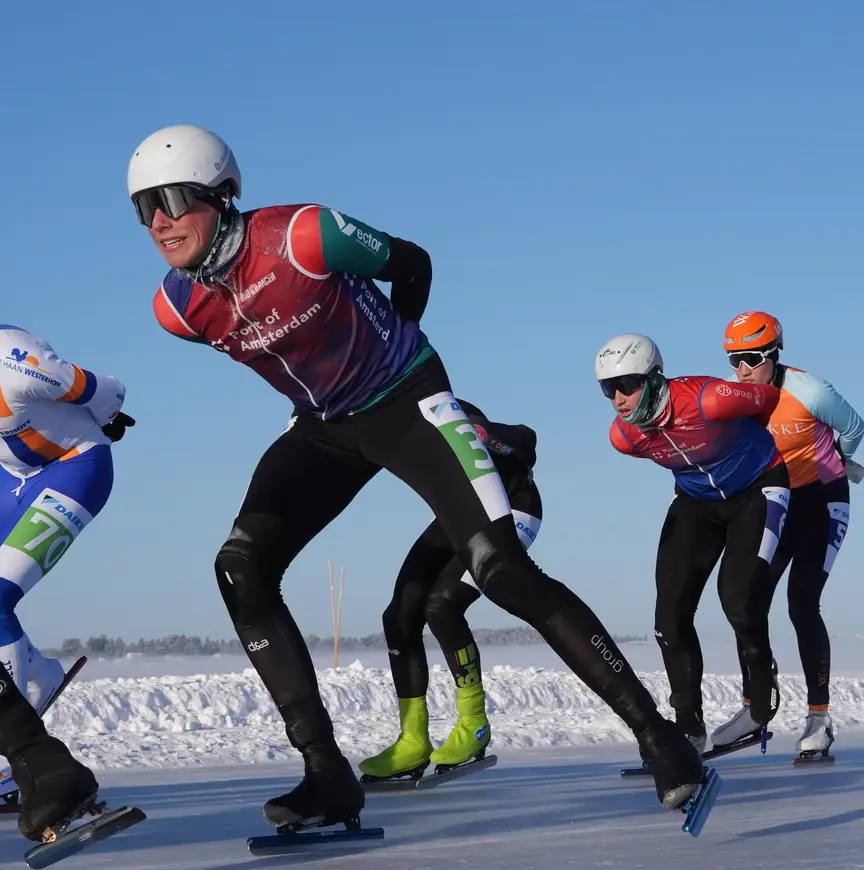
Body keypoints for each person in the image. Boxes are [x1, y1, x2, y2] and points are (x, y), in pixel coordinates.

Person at [127, 124, 705, 831]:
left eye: (174, 199)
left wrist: (394, 346)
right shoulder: (176, 309)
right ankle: (326, 773)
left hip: (405, 399)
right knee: (239, 569)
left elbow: (414, 263)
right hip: (324, 428)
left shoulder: (307, 235)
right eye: (142, 208)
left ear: (223, 195)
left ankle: (660, 735)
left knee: (500, 570)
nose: (159, 221)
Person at [597, 333, 789, 754]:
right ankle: (689, 728)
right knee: (669, 616)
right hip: (698, 500)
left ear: (654, 377)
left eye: (626, 384)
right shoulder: (625, 437)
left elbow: (767, 399)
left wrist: (747, 444)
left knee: (738, 598)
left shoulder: (709, 398)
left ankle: (760, 698)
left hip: (758, 487)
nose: (618, 398)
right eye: (608, 388)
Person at [359, 399, 542, 781]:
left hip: (514, 511)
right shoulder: (392, 429)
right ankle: (412, 739)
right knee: (400, 613)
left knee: (442, 606)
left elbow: (526, 440)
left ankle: (475, 724)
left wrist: (481, 434)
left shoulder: (448, 413)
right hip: (458, 514)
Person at [709, 311, 863, 757]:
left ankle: (819, 718)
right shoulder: (737, 396)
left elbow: (854, 427)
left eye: (751, 358)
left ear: (774, 353)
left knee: (801, 602)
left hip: (823, 499)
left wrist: (847, 462)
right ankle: (755, 706)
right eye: (734, 360)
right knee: (747, 599)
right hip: (779, 502)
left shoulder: (810, 390)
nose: (741, 370)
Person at [0, 323, 132, 841]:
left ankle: (20, 725)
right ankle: (31, 671)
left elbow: (107, 389)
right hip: (11, 478)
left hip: (75, 468)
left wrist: (110, 414)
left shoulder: (17, 363)